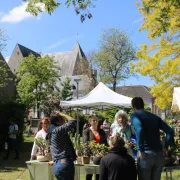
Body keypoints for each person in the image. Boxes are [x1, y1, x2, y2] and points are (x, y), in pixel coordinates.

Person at [131, 97, 174, 180]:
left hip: (146, 155)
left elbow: (139, 130)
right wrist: (165, 147)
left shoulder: (135, 115)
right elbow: (170, 131)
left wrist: (141, 149)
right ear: (143, 105)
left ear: (133, 107)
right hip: (159, 155)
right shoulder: (154, 116)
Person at [46, 112, 76, 180]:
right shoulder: (58, 130)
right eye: (62, 119)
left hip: (58, 164)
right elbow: (72, 121)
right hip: (64, 163)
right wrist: (62, 114)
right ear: (58, 121)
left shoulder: (51, 131)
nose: (64, 121)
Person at [83, 115, 107, 180]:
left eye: (96, 120)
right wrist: (93, 152)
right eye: (93, 120)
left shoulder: (102, 131)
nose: (95, 122)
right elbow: (85, 143)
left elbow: (105, 143)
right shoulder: (86, 131)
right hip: (90, 156)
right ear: (90, 122)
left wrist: (103, 151)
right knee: (89, 174)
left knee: (98, 175)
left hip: (101, 156)